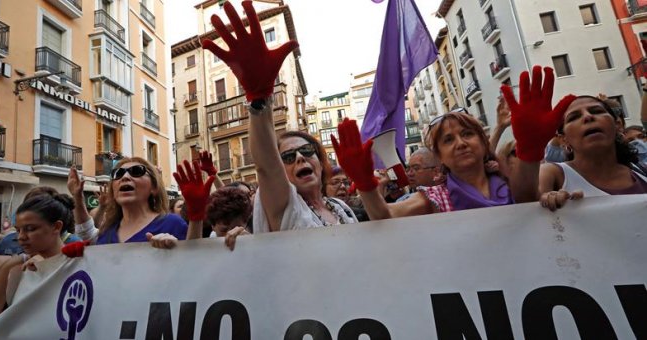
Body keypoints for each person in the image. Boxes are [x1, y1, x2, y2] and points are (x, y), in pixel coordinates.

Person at [333, 66, 576, 218]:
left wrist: (531, 151)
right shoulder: (434, 199)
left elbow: (528, 197)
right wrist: (365, 183)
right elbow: (384, 215)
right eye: (448, 139)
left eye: (467, 134)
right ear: (438, 156)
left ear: (483, 144)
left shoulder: (513, 183)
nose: (460, 143)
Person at [201, 1, 357, 234]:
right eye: (286, 156)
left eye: (306, 151)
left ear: (320, 160)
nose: (299, 158)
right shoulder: (286, 205)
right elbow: (265, 165)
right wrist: (259, 96)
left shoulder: (340, 207)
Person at [538, 95, 647, 210]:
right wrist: (547, 200)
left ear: (616, 125)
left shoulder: (641, 170)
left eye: (597, 111)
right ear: (563, 139)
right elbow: (528, 198)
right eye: (573, 117)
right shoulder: (553, 173)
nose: (588, 116)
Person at [0, 194, 75, 333]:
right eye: (18, 230)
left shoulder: (79, 262)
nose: (21, 237)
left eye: (30, 229)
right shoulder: (15, 266)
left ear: (57, 227)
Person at [67, 158, 187, 247]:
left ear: (154, 188)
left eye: (136, 171)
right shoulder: (107, 231)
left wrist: (175, 251)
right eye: (118, 174)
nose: (125, 176)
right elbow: (86, 234)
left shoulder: (173, 224)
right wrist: (77, 196)